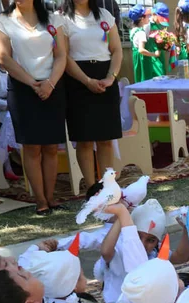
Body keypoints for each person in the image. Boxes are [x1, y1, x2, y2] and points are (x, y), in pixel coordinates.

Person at [0, 0, 68, 216]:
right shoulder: (3, 21)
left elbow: (62, 54)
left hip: (52, 86)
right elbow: (4, 57)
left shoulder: (53, 18)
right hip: (23, 88)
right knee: (32, 147)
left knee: (52, 146)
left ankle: (52, 197)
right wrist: (31, 83)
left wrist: (50, 83)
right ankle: (40, 200)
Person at [62, 0, 123, 193]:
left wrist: (110, 77)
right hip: (78, 79)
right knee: (85, 139)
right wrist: (87, 81)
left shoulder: (104, 15)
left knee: (105, 139)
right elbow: (64, 56)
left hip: (106, 76)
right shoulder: (62, 19)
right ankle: (91, 189)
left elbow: (117, 50)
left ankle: (108, 187)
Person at [128, 5, 162, 82]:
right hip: (143, 60)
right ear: (142, 19)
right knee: (146, 79)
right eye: (147, 16)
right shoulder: (141, 33)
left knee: (139, 78)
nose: (149, 17)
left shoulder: (133, 30)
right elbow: (141, 50)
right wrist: (154, 54)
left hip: (136, 59)